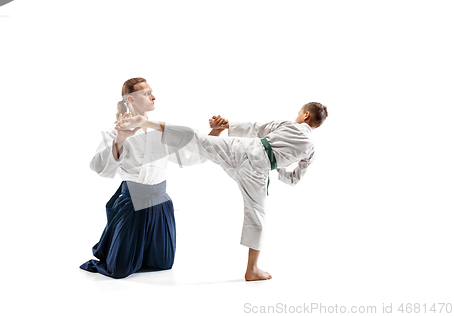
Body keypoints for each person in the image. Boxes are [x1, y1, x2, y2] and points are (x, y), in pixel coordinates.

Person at [115, 102, 328, 281]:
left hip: (240, 149)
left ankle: (146, 123)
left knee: (195, 138)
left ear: (306, 115)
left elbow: (257, 128)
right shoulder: (311, 149)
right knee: (257, 217)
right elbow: (293, 180)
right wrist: (278, 165)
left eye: (299, 112)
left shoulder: (288, 125)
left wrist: (226, 125)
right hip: (258, 171)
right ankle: (252, 270)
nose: (297, 115)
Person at [80, 77, 209, 279]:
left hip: (160, 200)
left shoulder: (161, 130)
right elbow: (97, 166)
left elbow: (189, 156)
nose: (153, 97)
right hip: (133, 201)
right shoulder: (114, 131)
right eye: (147, 93)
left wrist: (215, 133)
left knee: (163, 264)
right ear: (130, 99)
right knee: (119, 270)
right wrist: (120, 138)